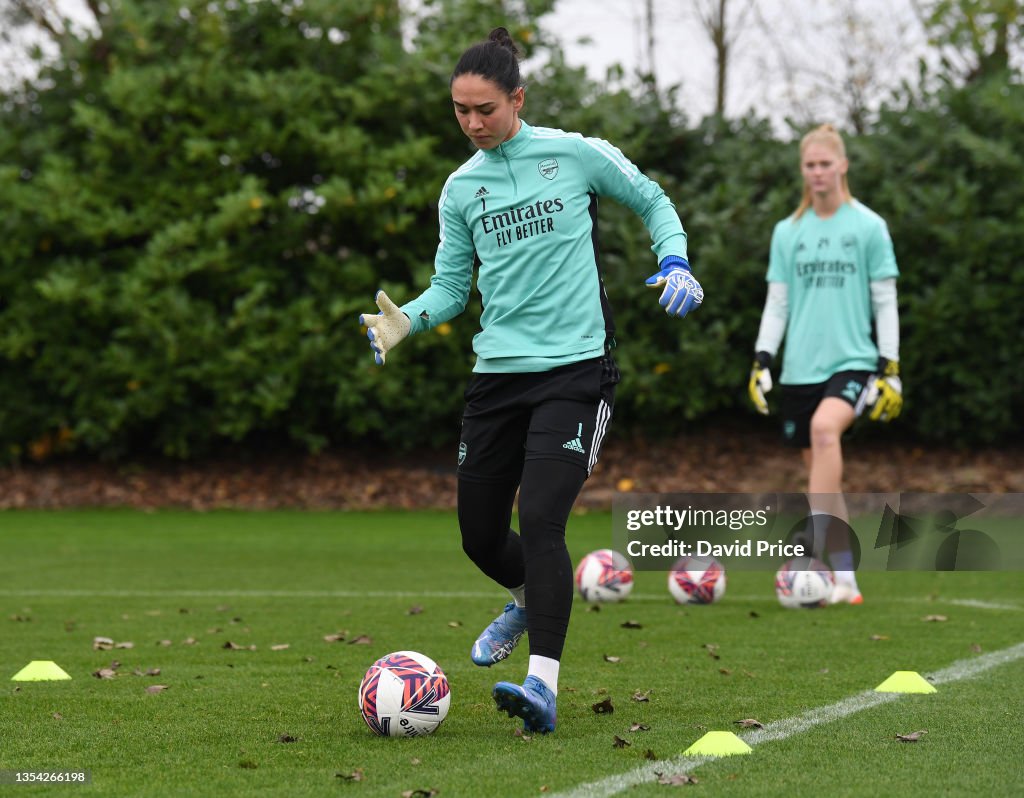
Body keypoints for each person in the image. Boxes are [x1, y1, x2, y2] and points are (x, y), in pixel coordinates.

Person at [358, 27, 702, 734]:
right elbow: (452, 287)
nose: (473, 123)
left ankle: (541, 685)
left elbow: (652, 198)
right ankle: (526, 596)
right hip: (497, 379)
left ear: (517, 98)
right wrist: (409, 320)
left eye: (485, 109)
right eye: (460, 110)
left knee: (541, 519)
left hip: (576, 372)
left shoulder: (573, 155)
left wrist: (674, 260)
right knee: (480, 538)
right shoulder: (461, 190)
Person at [748, 123, 902, 605]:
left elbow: (886, 302)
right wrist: (762, 359)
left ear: (843, 165)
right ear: (803, 170)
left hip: (853, 362)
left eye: (825, 163)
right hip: (799, 371)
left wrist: (889, 367)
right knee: (823, 478)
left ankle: (812, 555)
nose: (817, 172)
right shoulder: (787, 232)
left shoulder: (868, 227)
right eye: (809, 165)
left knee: (824, 431)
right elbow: (778, 303)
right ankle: (846, 580)